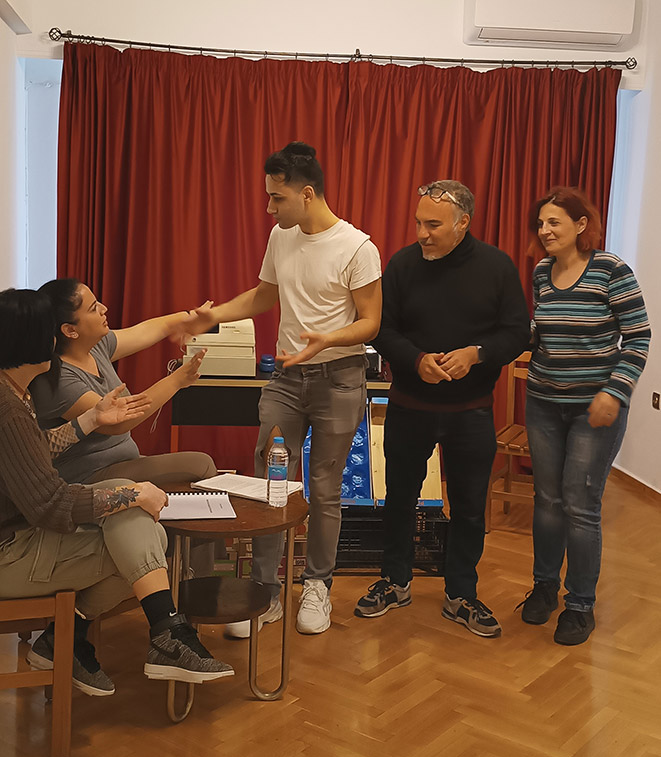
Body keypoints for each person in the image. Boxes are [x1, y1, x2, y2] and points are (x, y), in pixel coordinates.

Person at [179, 142, 382, 636]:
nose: (269, 208)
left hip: (339, 377)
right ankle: (265, 590)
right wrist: (213, 316)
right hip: (287, 379)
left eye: (277, 198)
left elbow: (371, 322)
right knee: (271, 485)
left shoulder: (358, 247)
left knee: (325, 489)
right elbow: (264, 294)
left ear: (307, 194)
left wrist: (328, 339)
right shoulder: (280, 236)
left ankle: (317, 586)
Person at [0, 288, 233, 696]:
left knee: (140, 527)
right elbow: (51, 505)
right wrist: (134, 496)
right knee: (149, 544)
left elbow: (35, 450)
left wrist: (90, 419)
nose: (55, 343)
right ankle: (163, 632)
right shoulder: (11, 411)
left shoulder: (14, 392)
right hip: (10, 552)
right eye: (49, 333)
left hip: (23, 534)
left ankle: (82, 638)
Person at [354, 180, 530, 637]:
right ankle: (395, 582)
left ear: (463, 223)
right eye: (418, 222)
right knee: (399, 499)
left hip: (471, 410)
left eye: (433, 225)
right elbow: (380, 328)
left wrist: (477, 353)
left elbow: (516, 332)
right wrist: (415, 360)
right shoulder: (402, 264)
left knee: (469, 507)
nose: (421, 233)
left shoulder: (496, 267)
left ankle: (461, 594)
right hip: (410, 405)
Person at [518, 186, 650, 645]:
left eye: (554, 222)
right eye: (540, 223)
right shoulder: (542, 272)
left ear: (581, 225)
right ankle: (544, 587)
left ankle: (579, 605)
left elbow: (638, 336)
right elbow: (541, 331)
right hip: (543, 402)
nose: (544, 230)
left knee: (580, 504)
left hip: (595, 408)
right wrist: (506, 336)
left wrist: (616, 391)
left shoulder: (610, 270)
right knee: (547, 501)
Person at [31, 278, 216, 488]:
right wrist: (176, 381)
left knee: (200, 464)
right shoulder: (58, 379)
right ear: (70, 330)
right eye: (93, 308)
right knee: (202, 465)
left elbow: (148, 330)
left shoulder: (96, 347)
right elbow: (118, 423)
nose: (104, 309)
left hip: (124, 462)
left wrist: (191, 317)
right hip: (89, 475)